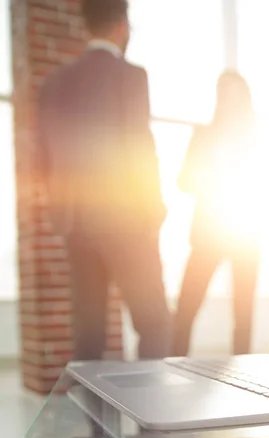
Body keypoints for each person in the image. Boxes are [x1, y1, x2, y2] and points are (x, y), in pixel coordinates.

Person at [36, 0, 171, 360]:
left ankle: (94, 420)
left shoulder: (53, 84)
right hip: (124, 218)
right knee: (154, 323)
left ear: (86, 26)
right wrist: (154, 210)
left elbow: (42, 162)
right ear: (122, 26)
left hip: (75, 223)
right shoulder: (130, 76)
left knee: (89, 336)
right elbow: (139, 148)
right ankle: (151, 416)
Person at [173, 71, 261, 357]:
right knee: (186, 309)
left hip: (245, 234)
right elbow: (183, 180)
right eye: (225, 92)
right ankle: (173, 364)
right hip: (208, 233)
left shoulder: (256, 136)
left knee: (244, 315)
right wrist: (210, 174)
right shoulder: (204, 135)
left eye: (236, 93)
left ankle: (245, 374)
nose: (231, 98)